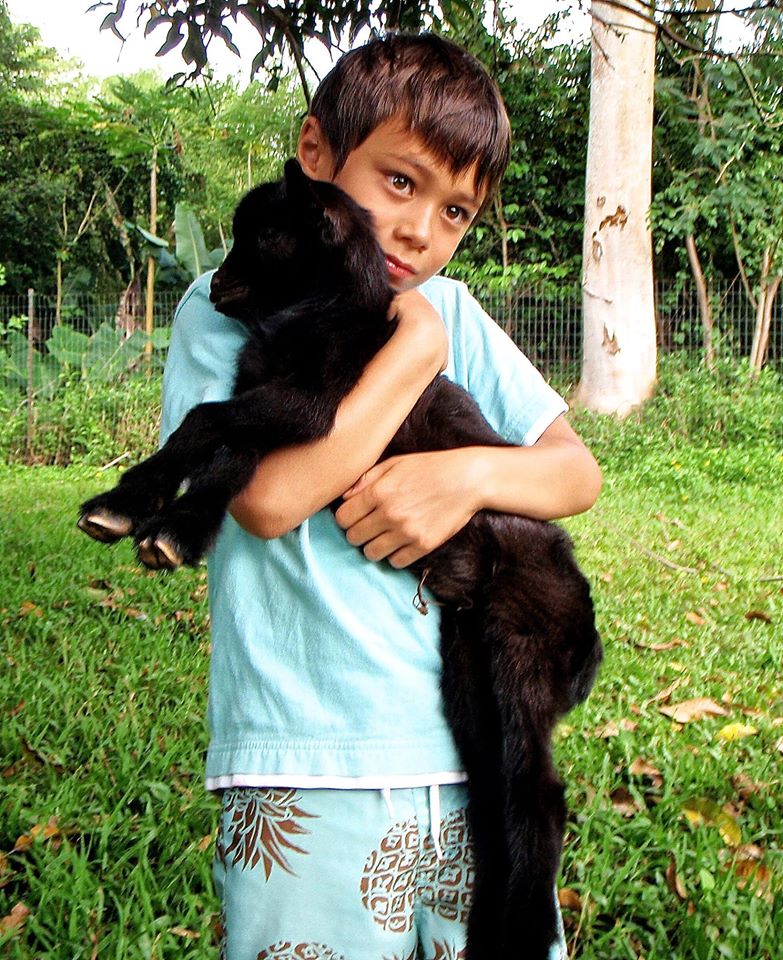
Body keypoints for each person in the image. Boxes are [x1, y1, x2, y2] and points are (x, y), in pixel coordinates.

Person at [160, 32, 602, 960]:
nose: (419, 232)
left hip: (467, 758)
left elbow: (574, 472)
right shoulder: (232, 304)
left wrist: (466, 473)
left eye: (455, 212)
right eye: (400, 183)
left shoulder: (454, 310)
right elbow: (268, 499)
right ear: (316, 153)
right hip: (307, 763)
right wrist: (410, 354)